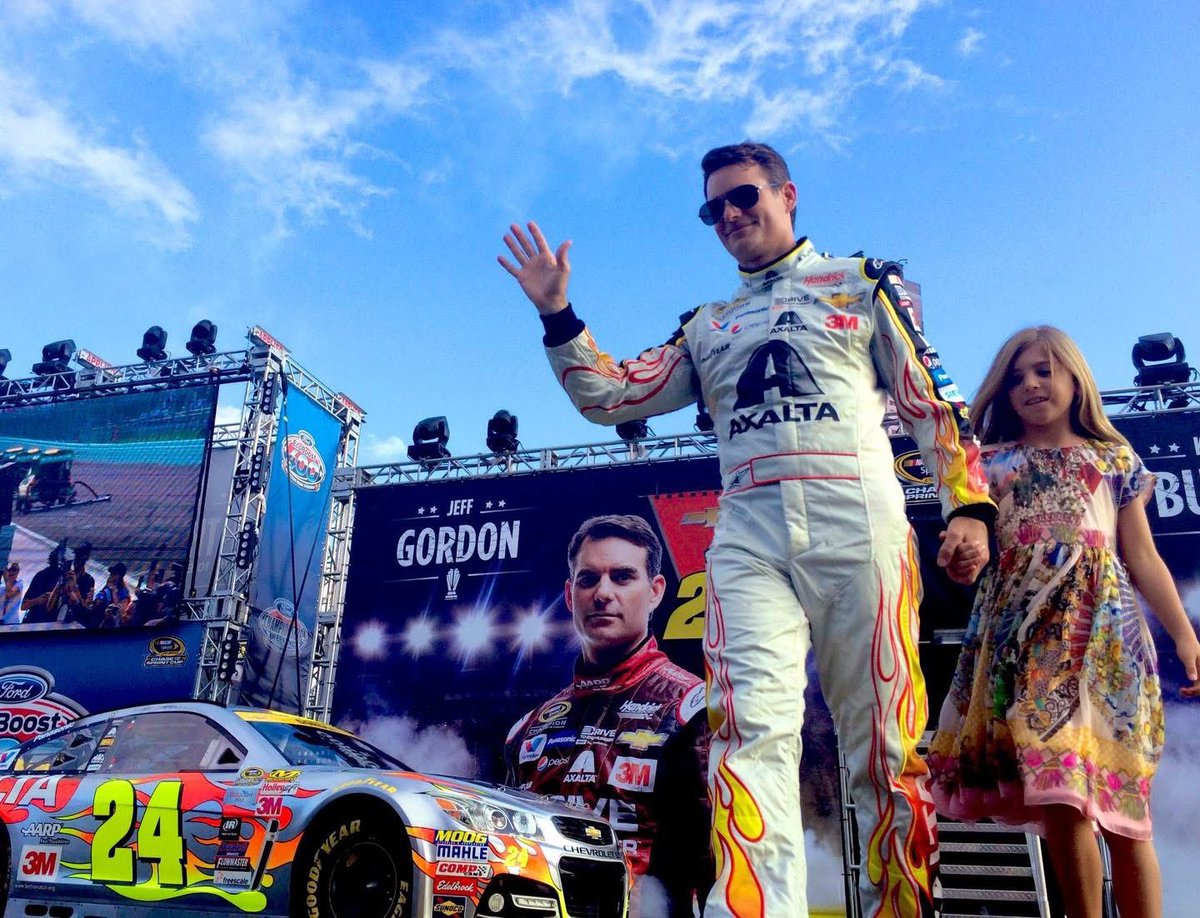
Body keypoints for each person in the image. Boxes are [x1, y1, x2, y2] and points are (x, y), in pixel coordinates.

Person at [499, 141, 995, 917]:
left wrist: (968, 504)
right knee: (746, 739)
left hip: (858, 519)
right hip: (751, 535)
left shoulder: (861, 284)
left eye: (744, 197)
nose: (729, 215)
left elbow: (933, 398)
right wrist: (557, 313)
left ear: (787, 195)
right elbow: (608, 395)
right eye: (714, 208)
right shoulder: (708, 323)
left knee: (888, 749)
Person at [927, 326, 1200, 918]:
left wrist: (1183, 634)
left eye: (1045, 370)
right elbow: (970, 553)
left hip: (1105, 644)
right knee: (1062, 796)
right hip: (1024, 646)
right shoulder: (985, 466)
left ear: (1076, 378)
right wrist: (961, 560)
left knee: (1125, 812)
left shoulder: (1113, 457)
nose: (1030, 384)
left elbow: (1142, 555)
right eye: (1017, 375)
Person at [504, 514, 713, 916]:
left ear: (655, 592)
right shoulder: (529, 727)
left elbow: (720, 868)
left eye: (622, 576)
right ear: (569, 595)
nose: (602, 593)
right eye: (588, 579)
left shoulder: (694, 709)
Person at [20, 546, 67, 624]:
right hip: (34, 622)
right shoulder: (41, 576)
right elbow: (24, 606)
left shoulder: (65, 578)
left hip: (52, 625)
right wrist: (38, 600)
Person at [93, 562, 133, 628]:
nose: (111, 575)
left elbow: (122, 613)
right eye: (111, 574)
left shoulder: (123, 592)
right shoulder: (109, 585)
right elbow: (100, 596)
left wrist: (114, 593)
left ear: (119, 576)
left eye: (113, 574)